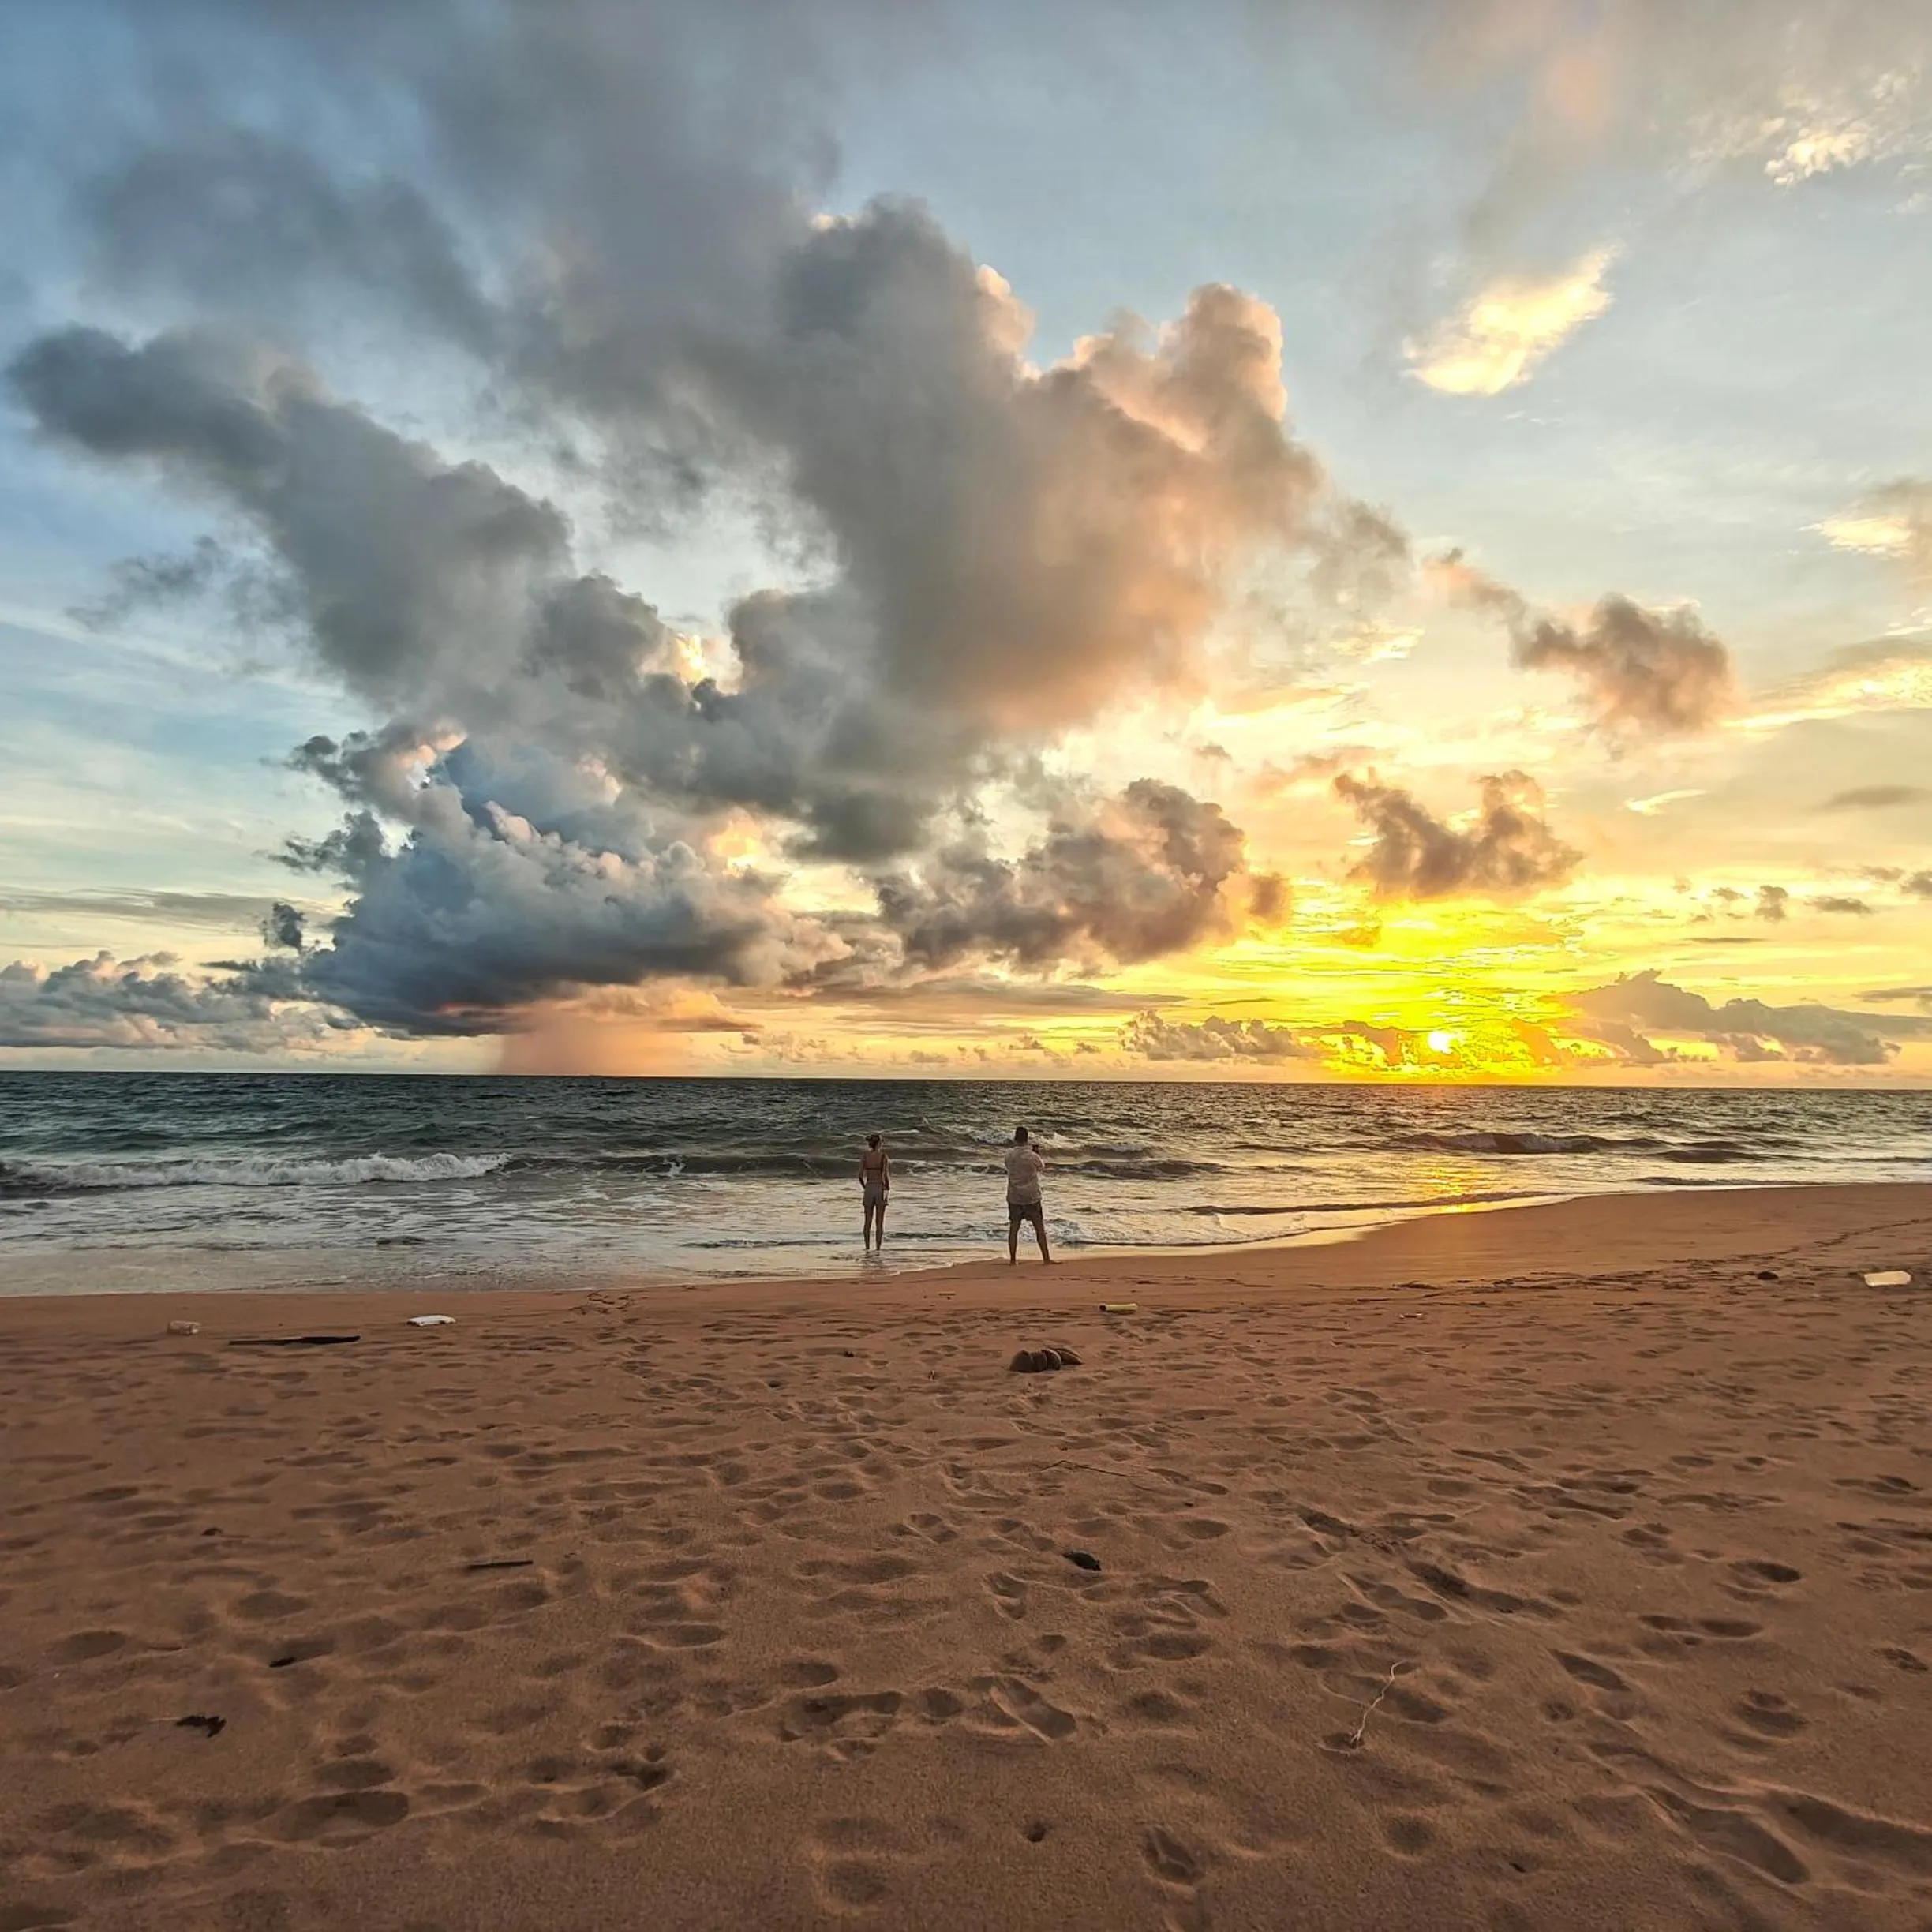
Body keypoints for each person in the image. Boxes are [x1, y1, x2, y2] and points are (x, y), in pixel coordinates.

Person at [1003, 1125, 1052, 1265]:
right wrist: (1037, 1152)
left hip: (1014, 1195)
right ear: (1027, 1139)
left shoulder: (1009, 1155)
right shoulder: (1032, 1156)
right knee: (1039, 1228)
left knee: (1014, 1228)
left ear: (1015, 1138)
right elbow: (1041, 1167)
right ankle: (1046, 1259)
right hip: (1031, 1195)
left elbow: (1008, 1167)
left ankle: (1013, 1260)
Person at [859, 1133, 891, 1252]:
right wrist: (887, 1188)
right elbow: (885, 1175)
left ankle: (867, 1247)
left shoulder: (865, 1156)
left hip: (869, 1187)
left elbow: (860, 1176)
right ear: (879, 1144)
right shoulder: (883, 1157)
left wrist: (865, 1187)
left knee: (867, 1221)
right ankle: (878, 1249)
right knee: (879, 1222)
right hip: (879, 1187)